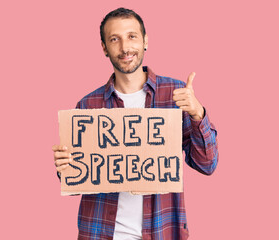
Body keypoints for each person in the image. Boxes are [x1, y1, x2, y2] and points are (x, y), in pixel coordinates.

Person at [52, 7, 218, 240]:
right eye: (114, 39)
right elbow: (78, 181)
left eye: (132, 36)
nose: (125, 47)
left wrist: (198, 113)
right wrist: (65, 166)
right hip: (100, 233)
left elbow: (207, 164)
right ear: (104, 48)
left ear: (145, 41)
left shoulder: (176, 95)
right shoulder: (87, 105)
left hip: (161, 231)